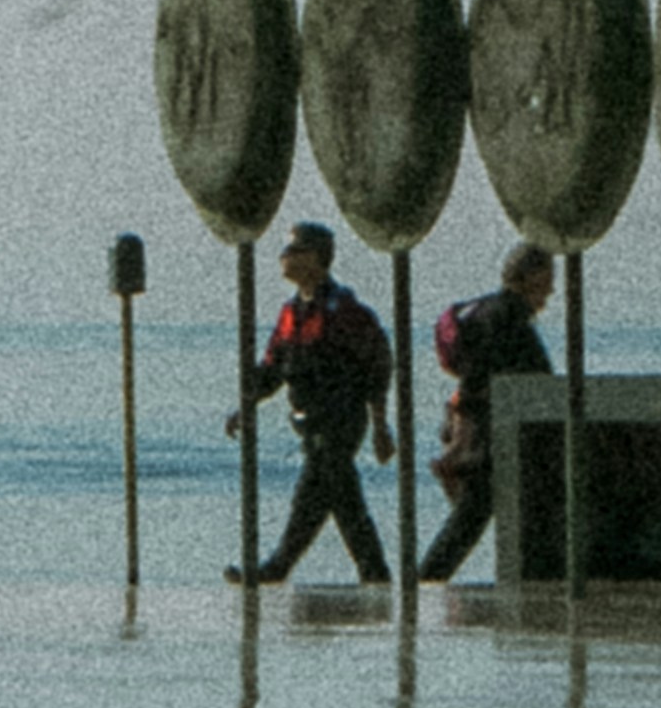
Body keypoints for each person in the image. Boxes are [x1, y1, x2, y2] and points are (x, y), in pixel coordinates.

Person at [229, 218, 393, 586]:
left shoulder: (343, 311)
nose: (284, 257)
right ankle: (372, 574)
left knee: (322, 492)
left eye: (294, 250)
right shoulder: (290, 313)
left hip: (341, 419)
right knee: (330, 501)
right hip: (309, 421)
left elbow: (377, 366)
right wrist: (246, 406)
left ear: (317, 258)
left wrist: (380, 425)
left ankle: (279, 569)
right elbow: (273, 368)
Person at [417, 235, 556, 579]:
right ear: (529, 277)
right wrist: (461, 442)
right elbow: (478, 378)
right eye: (548, 280)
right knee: (476, 516)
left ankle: (429, 580)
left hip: (486, 428)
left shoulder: (486, 309)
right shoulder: (507, 318)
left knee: (476, 515)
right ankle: (427, 580)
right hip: (490, 433)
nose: (551, 291)